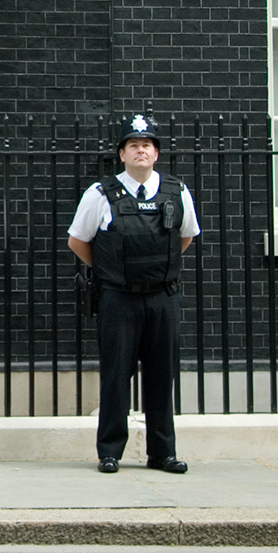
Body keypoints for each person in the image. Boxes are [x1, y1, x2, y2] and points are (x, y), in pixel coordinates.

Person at [67, 113, 199, 474]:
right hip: (118, 298)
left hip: (162, 297)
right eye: (133, 145)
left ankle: (162, 453)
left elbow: (185, 238)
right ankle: (110, 451)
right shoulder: (100, 194)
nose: (141, 150)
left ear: (156, 154)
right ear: (122, 154)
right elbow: (77, 241)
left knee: (161, 376)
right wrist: (112, 269)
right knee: (115, 376)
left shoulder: (177, 192)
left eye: (147, 145)